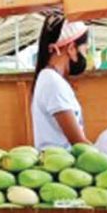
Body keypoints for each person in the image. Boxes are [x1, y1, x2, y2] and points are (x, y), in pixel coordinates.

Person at [31, 13, 91, 150]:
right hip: (61, 167)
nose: (85, 55)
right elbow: (78, 142)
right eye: (84, 50)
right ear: (71, 48)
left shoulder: (52, 78)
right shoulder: (52, 81)